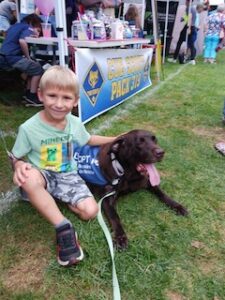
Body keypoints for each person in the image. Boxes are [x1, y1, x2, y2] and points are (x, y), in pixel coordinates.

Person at [11, 65, 117, 267]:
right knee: (29, 178)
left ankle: (62, 200)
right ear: (40, 95)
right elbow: (16, 156)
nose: (59, 104)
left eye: (66, 98)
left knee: (90, 212)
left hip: (67, 175)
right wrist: (18, 165)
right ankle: (63, 226)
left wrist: (116, 139)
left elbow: (88, 140)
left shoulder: (75, 123)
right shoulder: (28, 128)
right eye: (52, 96)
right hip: (42, 175)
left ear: (75, 101)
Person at [0, 13, 44, 106]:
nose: (38, 32)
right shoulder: (28, 27)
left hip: (3, 56)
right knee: (38, 70)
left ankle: (28, 94)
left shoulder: (14, 26)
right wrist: (27, 57)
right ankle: (32, 96)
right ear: (33, 22)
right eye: (38, 29)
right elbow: (22, 41)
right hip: (12, 57)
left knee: (31, 69)